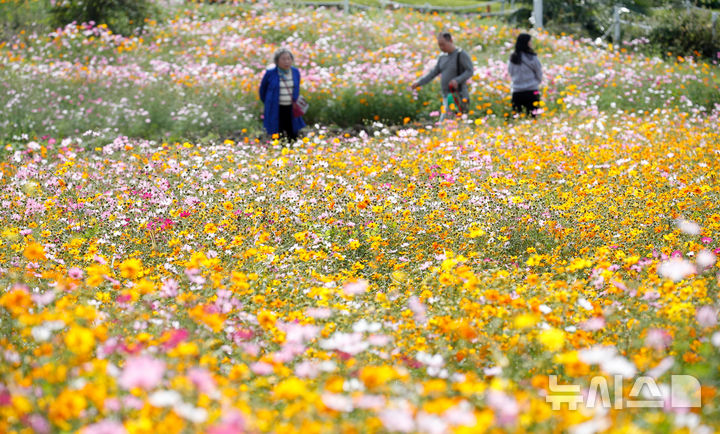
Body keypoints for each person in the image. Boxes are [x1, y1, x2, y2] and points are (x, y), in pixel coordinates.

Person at [411, 31, 474, 117]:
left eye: (443, 44)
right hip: (446, 95)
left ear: (450, 41)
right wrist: (419, 82)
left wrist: (457, 80)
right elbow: (433, 73)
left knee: (448, 120)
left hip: (459, 94)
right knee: (453, 121)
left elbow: (470, 71)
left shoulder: (460, 54)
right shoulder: (442, 57)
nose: (441, 47)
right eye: (439, 45)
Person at [259, 48, 306, 142]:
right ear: (277, 61)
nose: (286, 61)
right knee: (276, 132)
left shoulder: (295, 72)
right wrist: (269, 102)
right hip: (275, 108)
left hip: (291, 107)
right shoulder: (270, 73)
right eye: (283, 59)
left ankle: (292, 152)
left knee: (292, 132)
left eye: (289, 59)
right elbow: (262, 90)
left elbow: (296, 88)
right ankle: (278, 152)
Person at [507, 33, 543, 118]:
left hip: (517, 91)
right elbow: (539, 73)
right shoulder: (532, 57)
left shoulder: (513, 57)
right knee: (533, 117)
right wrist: (536, 82)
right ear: (527, 43)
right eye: (530, 41)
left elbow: (510, 72)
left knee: (517, 118)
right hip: (532, 91)